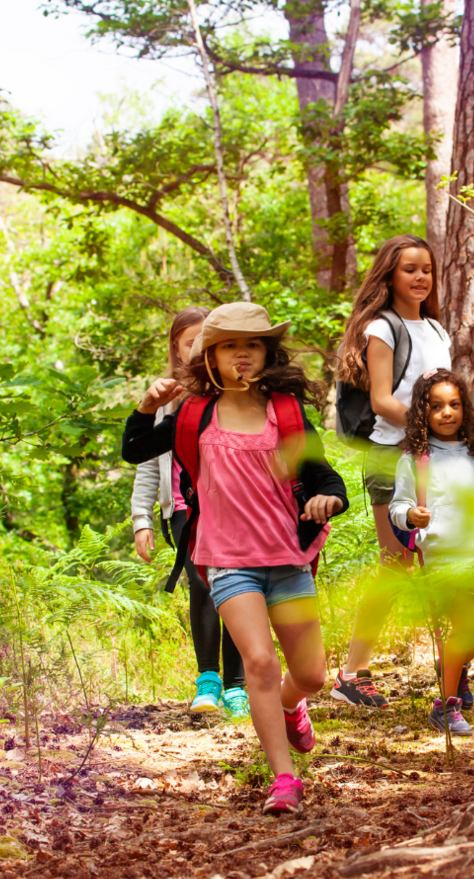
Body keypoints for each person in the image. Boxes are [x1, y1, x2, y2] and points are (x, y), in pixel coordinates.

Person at [121, 302, 347, 814]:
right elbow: (134, 451)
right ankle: (283, 779)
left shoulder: (285, 412)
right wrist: (144, 405)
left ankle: (293, 706)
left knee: (310, 675)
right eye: (228, 346)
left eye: (251, 344)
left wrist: (326, 499)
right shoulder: (193, 415)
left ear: (268, 353)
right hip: (227, 562)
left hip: (287, 560)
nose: (240, 355)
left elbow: (324, 477)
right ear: (211, 357)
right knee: (260, 663)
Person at [333, 235, 474, 708]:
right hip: (394, 456)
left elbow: (440, 393)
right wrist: (421, 432)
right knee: (398, 563)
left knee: (455, 556)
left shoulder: (435, 329)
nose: (420, 277)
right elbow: (382, 399)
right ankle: (351, 672)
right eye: (409, 269)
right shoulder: (382, 329)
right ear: (389, 275)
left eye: (426, 269)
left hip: (435, 456)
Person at [388, 370, 474, 737]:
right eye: (436, 406)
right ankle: (445, 707)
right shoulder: (416, 460)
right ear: (422, 412)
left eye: (454, 405)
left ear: (465, 408)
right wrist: (411, 515)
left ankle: (454, 666)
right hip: (443, 559)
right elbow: (397, 506)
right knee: (464, 627)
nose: (446, 413)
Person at [128, 307, 247, 718]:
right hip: (184, 506)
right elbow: (145, 460)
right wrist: (142, 518)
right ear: (176, 349)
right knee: (203, 584)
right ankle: (208, 681)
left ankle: (237, 686)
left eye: (205, 339)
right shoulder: (166, 395)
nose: (198, 348)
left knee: (238, 587)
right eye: (189, 341)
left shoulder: (231, 387)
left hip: (234, 505)